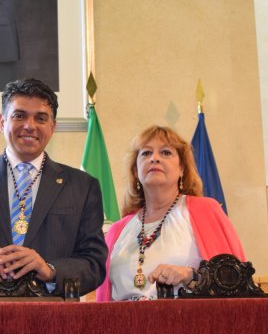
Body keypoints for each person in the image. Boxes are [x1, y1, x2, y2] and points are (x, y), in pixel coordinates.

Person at [0, 78, 107, 293]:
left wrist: (49, 269)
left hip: (52, 315)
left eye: (41, 118)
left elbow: (94, 263)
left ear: (52, 127)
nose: (29, 126)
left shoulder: (82, 186)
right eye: (19, 116)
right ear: (3, 122)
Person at [95, 125, 246, 301]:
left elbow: (236, 282)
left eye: (166, 153)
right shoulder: (117, 231)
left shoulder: (205, 211)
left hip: (185, 324)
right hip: (123, 326)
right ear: (136, 171)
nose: (154, 159)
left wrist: (191, 276)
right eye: (146, 153)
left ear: (182, 168)